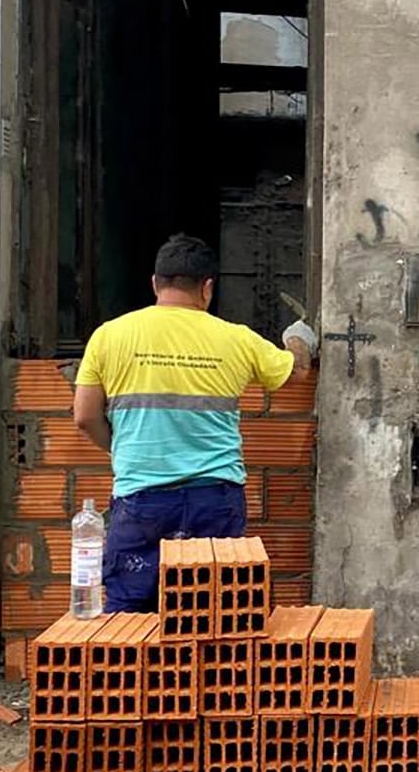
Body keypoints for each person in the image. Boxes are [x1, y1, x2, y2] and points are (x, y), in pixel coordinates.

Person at [73, 233, 319, 612]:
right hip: (215, 499)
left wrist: (123, 446)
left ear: (155, 283)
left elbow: (85, 416)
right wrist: (299, 338)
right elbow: (297, 372)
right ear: (207, 288)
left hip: (141, 499)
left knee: (129, 617)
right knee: (214, 614)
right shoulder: (236, 339)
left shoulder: (109, 336)